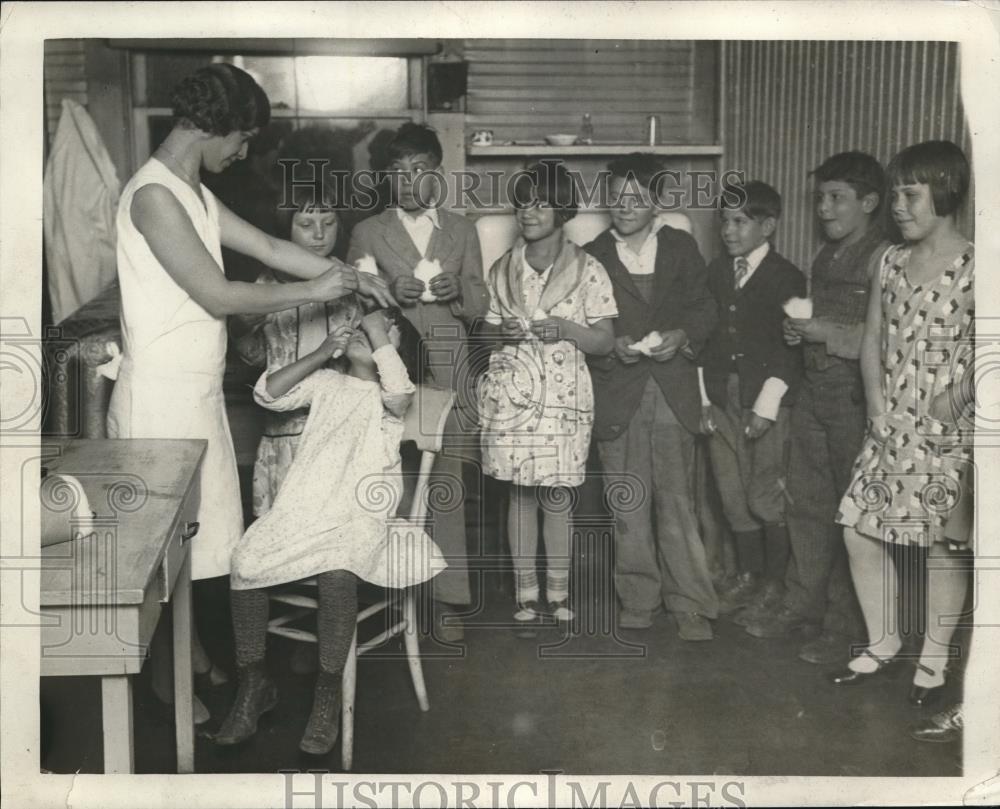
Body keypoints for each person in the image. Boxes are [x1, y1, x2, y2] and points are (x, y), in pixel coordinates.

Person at [106, 63, 392, 721]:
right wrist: (316, 291)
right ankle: (167, 672)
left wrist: (348, 275)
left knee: (203, 552)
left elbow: (266, 243)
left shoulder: (195, 193)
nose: (241, 153)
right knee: (164, 556)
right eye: (240, 138)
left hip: (198, 396)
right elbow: (218, 293)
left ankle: (192, 660)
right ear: (210, 125)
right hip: (158, 400)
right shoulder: (152, 196)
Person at [215, 308, 444, 754]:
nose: (369, 331)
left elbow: (397, 386)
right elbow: (267, 393)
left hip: (360, 515)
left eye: (385, 330)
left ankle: (327, 692)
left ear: (398, 351)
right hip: (304, 507)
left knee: (338, 572)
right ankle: (254, 683)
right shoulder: (327, 384)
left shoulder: (392, 397)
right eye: (364, 326)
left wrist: (375, 327)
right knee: (245, 561)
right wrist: (322, 351)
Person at [829, 141, 974, 709]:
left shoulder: (978, 264)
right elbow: (871, 341)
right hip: (890, 421)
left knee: (942, 547)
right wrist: (874, 405)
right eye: (893, 195)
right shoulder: (887, 261)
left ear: (945, 191)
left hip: (951, 430)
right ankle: (884, 641)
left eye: (910, 195)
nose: (898, 207)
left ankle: (933, 660)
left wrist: (956, 396)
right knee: (858, 529)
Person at [742, 153, 891, 660]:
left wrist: (826, 333)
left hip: (853, 396)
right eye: (821, 199)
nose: (824, 209)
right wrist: (800, 333)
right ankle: (802, 605)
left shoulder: (881, 255)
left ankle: (844, 625)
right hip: (814, 393)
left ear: (869, 202)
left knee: (849, 517)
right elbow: (823, 324)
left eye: (837, 198)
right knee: (805, 505)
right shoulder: (827, 255)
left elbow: (888, 337)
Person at [347, 123, 490, 641]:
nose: (409, 182)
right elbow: (350, 301)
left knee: (446, 482)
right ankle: (380, 596)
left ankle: (448, 597)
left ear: (438, 174)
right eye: (398, 172)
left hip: (447, 369)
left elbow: (480, 306)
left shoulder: (461, 229)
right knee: (384, 482)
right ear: (386, 178)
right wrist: (388, 291)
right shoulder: (367, 231)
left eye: (420, 170)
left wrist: (457, 293)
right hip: (388, 367)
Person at [584, 153, 719, 640]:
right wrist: (608, 345)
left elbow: (705, 308)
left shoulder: (680, 246)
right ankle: (638, 596)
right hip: (619, 392)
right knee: (627, 500)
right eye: (617, 196)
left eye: (638, 198)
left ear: (657, 202)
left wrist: (682, 335)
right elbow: (584, 324)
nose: (625, 205)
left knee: (678, 500)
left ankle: (690, 601)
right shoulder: (592, 254)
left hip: (672, 389)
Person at [479, 160, 617, 634]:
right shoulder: (501, 269)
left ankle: (558, 594)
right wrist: (500, 336)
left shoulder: (588, 269)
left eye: (540, 202)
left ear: (562, 209)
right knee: (519, 494)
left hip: (564, 399)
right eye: (522, 203)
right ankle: (526, 592)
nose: (528, 212)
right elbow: (486, 336)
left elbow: (605, 341)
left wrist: (565, 328)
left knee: (557, 495)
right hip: (512, 397)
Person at [698, 181, 806, 621]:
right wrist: (703, 399)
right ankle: (747, 575)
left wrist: (767, 407)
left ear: (768, 225)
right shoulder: (716, 273)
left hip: (765, 399)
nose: (728, 230)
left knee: (765, 496)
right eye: (724, 221)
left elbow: (791, 348)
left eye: (739, 222)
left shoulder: (787, 276)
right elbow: (704, 340)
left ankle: (775, 583)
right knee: (731, 495)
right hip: (722, 395)